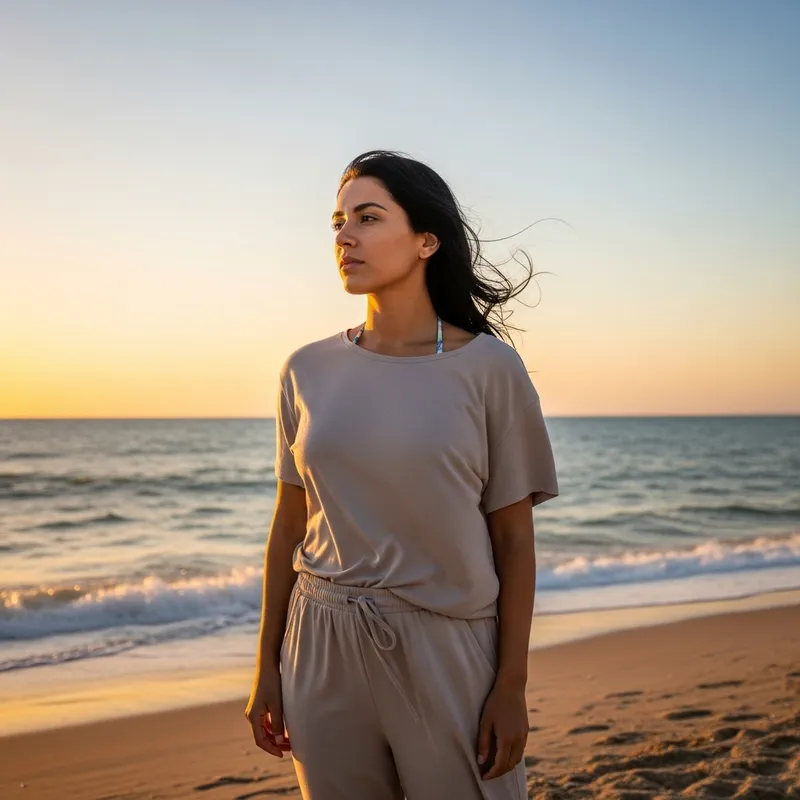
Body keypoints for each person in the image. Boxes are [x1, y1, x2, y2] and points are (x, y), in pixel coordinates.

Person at [245, 150, 559, 799]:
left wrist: (512, 685)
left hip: (448, 648)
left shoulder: (490, 370)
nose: (344, 236)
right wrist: (266, 668)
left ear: (425, 240)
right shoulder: (304, 370)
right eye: (337, 221)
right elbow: (288, 528)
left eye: (367, 217)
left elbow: (514, 541)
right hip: (320, 642)